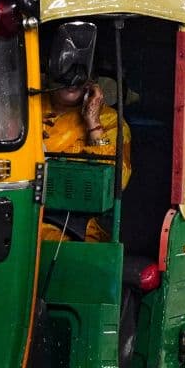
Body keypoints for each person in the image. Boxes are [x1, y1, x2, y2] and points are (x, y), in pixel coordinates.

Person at [39, 23, 131, 243]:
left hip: (75, 227)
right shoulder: (27, 109)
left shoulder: (110, 121)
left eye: (80, 70)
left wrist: (92, 122)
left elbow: (117, 182)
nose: (72, 80)